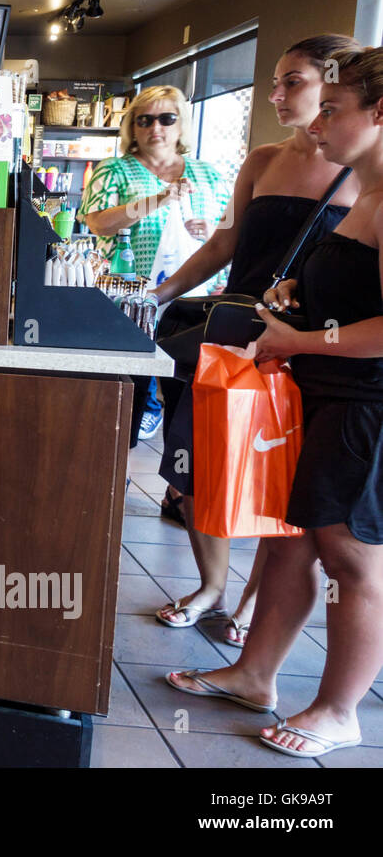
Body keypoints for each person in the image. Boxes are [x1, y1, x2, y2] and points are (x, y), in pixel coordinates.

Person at [166, 44, 383, 759]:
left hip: (362, 404)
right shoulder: (365, 195)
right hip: (318, 393)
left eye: (332, 109)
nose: (317, 123)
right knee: (291, 544)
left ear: (379, 114)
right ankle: (255, 674)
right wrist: (299, 292)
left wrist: (303, 339)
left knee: (351, 562)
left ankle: (340, 710)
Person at [79, 85, 231, 445]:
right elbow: (98, 223)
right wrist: (158, 199)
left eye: (166, 118)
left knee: (188, 402)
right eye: (144, 120)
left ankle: (178, 477)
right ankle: (119, 465)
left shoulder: (210, 175)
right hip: (128, 302)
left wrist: (211, 232)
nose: (155, 128)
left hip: (193, 306)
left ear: (181, 124)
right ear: (133, 127)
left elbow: (230, 234)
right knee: (123, 400)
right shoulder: (114, 170)